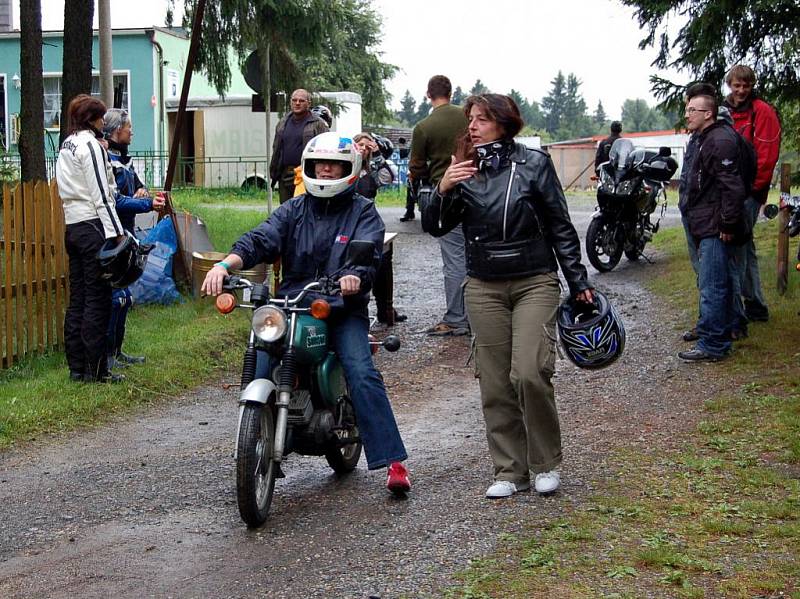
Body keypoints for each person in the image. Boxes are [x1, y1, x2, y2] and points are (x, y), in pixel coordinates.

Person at [201, 132, 411, 495]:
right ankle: (256, 445)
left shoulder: (362, 211)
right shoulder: (294, 209)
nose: (326, 171)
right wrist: (224, 265)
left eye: (334, 165)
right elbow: (261, 238)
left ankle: (394, 461)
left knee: (361, 371)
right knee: (263, 356)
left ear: (349, 169)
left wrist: (353, 278)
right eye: (319, 164)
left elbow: (369, 257)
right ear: (308, 168)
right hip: (293, 304)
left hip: (342, 308)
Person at [422, 94, 593, 499]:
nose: (473, 126)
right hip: (483, 286)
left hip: (535, 279)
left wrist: (578, 281)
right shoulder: (463, 168)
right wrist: (442, 189)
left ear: (504, 122)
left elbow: (560, 226)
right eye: (470, 119)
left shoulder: (534, 164)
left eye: (482, 119)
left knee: (530, 372)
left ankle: (546, 463)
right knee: (495, 382)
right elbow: (435, 226)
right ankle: (509, 470)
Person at [56, 94, 125, 383]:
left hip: (72, 226)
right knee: (98, 299)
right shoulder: (89, 147)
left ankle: (77, 368)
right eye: (100, 118)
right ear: (92, 120)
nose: (103, 124)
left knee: (78, 299)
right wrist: (117, 234)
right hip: (93, 225)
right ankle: (97, 371)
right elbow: (101, 193)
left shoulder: (66, 146)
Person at [679, 92, 749, 362]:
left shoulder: (719, 140)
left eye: (693, 110)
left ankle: (713, 344)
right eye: (687, 110)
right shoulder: (704, 138)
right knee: (720, 280)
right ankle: (725, 329)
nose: (688, 115)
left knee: (713, 284)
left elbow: (732, 187)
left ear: (708, 113)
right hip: (707, 222)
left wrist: (727, 223)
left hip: (714, 225)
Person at [102, 108, 166, 370]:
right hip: (113, 235)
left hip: (128, 235)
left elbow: (137, 188)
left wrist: (142, 193)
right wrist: (146, 204)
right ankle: (106, 356)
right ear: (117, 130)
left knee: (126, 298)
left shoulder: (125, 161)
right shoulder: (107, 160)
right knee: (116, 298)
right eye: (129, 127)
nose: (132, 131)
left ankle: (117, 351)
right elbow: (116, 201)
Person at [409, 75, 470, 336]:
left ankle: (457, 318)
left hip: (447, 195)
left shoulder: (423, 126)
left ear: (428, 95)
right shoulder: (468, 117)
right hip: (480, 190)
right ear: (451, 93)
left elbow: (416, 167)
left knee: (455, 259)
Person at [722, 65, 782, 323]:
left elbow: (767, 156)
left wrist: (754, 191)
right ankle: (755, 304)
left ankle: (738, 311)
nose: (741, 91)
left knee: (737, 249)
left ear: (752, 85)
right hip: (729, 191)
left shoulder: (763, 113)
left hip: (748, 191)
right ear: (730, 85)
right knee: (745, 247)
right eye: (737, 85)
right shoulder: (725, 112)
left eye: (746, 86)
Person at [353, 132, 407, 326]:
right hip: (347, 221)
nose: (363, 149)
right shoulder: (345, 166)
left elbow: (386, 178)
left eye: (368, 146)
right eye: (360, 145)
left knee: (383, 260)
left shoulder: (371, 170)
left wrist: (376, 155)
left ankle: (386, 309)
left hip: (368, 220)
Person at [269, 89, 329, 203]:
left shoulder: (318, 124)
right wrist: (274, 172)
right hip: (285, 175)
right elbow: (276, 148)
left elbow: (325, 151)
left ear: (309, 103)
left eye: (301, 101)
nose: (297, 103)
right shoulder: (283, 122)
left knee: (304, 209)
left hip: (307, 175)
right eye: (294, 100)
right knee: (286, 210)